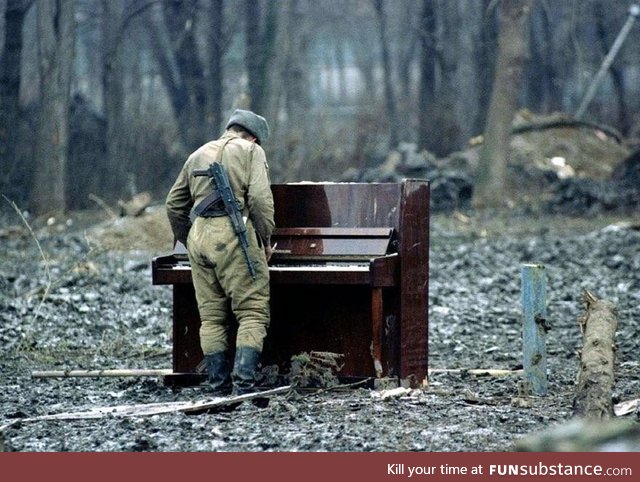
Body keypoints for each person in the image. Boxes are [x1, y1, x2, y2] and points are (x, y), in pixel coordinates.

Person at [166, 109, 274, 397]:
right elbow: (260, 201)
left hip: (199, 237)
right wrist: (264, 241)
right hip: (234, 235)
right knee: (252, 311)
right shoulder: (252, 151)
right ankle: (244, 386)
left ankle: (217, 388)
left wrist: (188, 240)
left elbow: (173, 205)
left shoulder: (197, 154)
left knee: (212, 318)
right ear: (253, 136)